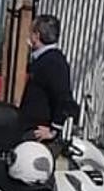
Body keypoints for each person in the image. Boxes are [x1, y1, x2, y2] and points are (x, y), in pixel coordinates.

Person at [18, 14, 78, 142]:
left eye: (31, 33)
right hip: (29, 127)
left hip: (37, 133)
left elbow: (63, 99)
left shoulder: (53, 62)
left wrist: (54, 130)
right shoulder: (42, 59)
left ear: (37, 36)